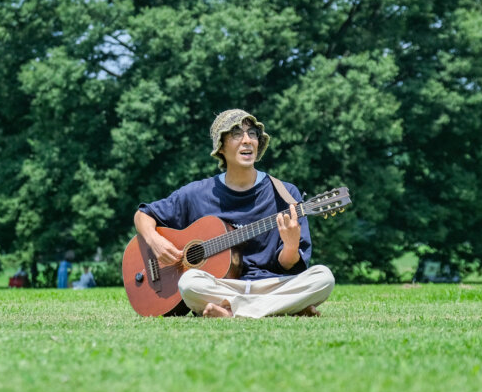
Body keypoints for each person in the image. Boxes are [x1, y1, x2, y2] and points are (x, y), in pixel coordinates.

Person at [133, 109, 335, 318]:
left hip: (272, 284)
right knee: (189, 282)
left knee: (324, 278)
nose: (247, 140)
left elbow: (288, 265)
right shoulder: (197, 193)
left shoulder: (286, 194)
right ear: (221, 146)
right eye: (237, 134)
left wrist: (291, 246)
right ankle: (285, 308)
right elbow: (143, 214)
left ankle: (233, 312)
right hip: (221, 286)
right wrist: (154, 240)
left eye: (253, 134)